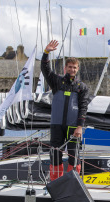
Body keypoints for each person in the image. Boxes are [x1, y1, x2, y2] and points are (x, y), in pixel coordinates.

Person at [41, 40, 89, 181]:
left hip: (73, 126)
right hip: (56, 125)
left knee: (74, 155)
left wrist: (80, 126)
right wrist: (46, 53)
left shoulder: (82, 87)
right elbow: (45, 70)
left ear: (77, 69)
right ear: (65, 68)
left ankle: (73, 181)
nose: (72, 70)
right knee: (55, 154)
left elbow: (83, 107)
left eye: (74, 67)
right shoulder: (57, 82)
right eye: (69, 67)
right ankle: (56, 181)